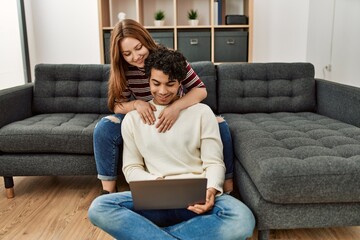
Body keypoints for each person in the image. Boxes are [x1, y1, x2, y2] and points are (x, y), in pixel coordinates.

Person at [88, 47, 255, 240]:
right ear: (148, 80)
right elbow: (132, 167)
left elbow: (214, 162)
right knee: (99, 207)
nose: (162, 91)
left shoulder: (202, 113)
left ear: (180, 82)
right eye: (156, 83)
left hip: (197, 199)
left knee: (243, 219)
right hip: (154, 199)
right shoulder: (133, 119)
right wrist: (157, 185)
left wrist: (211, 190)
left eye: (170, 84)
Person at [93, 19, 234, 194]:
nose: (136, 56)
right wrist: (137, 104)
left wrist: (175, 108)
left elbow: (200, 91)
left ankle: (226, 187)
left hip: (177, 105)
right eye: (127, 53)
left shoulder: (170, 58)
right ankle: (108, 192)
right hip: (146, 111)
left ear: (146, 40)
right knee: (104, 128)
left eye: (138, 48)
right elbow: (117, 106)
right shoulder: (123, 70)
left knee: (221, 125)